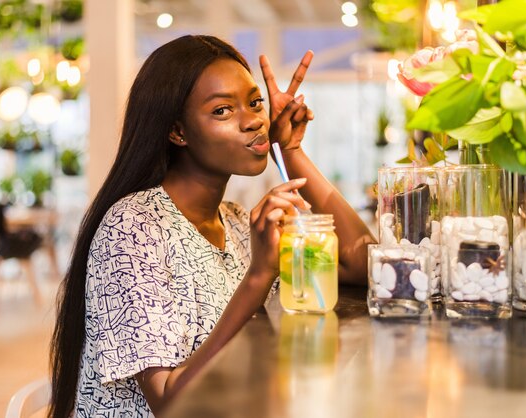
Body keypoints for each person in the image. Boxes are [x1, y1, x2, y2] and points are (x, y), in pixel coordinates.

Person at [49, 35, 375, 418]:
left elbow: (363, 266)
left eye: (255, 103)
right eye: (223, 110)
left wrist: (289, 150)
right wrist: (259, 275)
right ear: (178, 132)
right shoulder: (133, 227)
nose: (253, 120)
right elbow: (171, 401)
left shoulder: (236, 221)